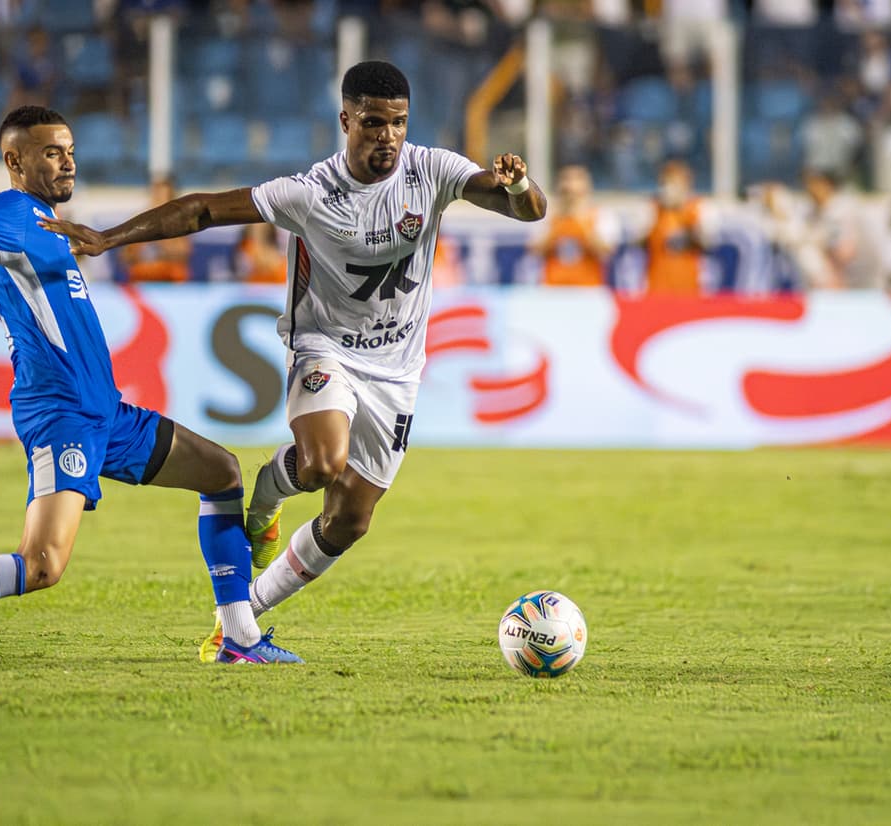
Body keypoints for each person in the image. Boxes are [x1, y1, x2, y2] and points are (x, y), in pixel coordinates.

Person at [40, 61, 547, 661]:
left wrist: (515, 186)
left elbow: (527, 210)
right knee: (322, 463)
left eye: (399, 124)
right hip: (323, 346)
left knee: (351, 520)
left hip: (398, 370)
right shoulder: (310, 193)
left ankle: (245, 614)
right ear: (346, 121)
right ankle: (268, 496)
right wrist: (110, 237)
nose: (388, 136)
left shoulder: (431, 170)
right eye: (374, 123)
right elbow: (203, 210)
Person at [0, 105, 301, 668]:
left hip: (106, 414)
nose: (67, 163)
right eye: (51, 153)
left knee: (221, 472)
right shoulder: (10, 211)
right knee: (40, 566)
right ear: (14, 160)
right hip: (62, 415)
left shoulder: (46, 222)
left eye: (69, 151)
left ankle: (238, 637)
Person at [531, 164, 618, 287]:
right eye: (566, 179)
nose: (570, 185)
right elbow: (535, 250)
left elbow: (605, 251)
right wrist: (560, 222)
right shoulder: (548, 215)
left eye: (577, 179)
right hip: (553, 290)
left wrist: (579, 219)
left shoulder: (601, 215)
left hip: (588, 291)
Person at [642, 159, 713, 294]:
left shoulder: (698, 208)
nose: (669, 189)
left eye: (675, 183)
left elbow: (707, 242)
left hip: (690, 289)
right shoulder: (653, 208)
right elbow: (640, 240)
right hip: (657, 288)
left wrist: (683, 213)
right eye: (665, 183)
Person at [119, 176, 191, 283]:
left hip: (168, 274)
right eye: (155, 195)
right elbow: (125, 256)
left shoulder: (180, 220)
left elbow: (182, 254)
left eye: (161, 196)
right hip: (144, 272)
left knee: (178, 272)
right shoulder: (141, 220)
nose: (157, 199)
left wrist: (158, 235)